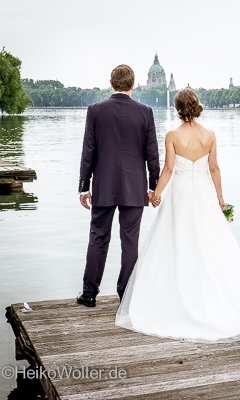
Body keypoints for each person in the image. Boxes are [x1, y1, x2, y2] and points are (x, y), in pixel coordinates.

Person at [115, 89, 240, 342]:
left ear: (177, 109)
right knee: (210, 242)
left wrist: (155, 194)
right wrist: (220, 197)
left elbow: (167, 170)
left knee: (176, 242)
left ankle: (177, 293)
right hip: (203, 195)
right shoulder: (209, 135)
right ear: (196, 106)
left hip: (179, 196)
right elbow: (214, 168)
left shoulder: (172, 135)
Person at [77, 64, 160, 308]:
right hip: (135, 188)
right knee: (130, 242)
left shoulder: (95, 110)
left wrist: (84, 186)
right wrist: (154, 187)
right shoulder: (145, 112)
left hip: (103, 185)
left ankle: (89, 294)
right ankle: (127, 296)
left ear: (111, 83)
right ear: (133, 85)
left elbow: (88, 151)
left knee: (97, 239)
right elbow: (152, 155)